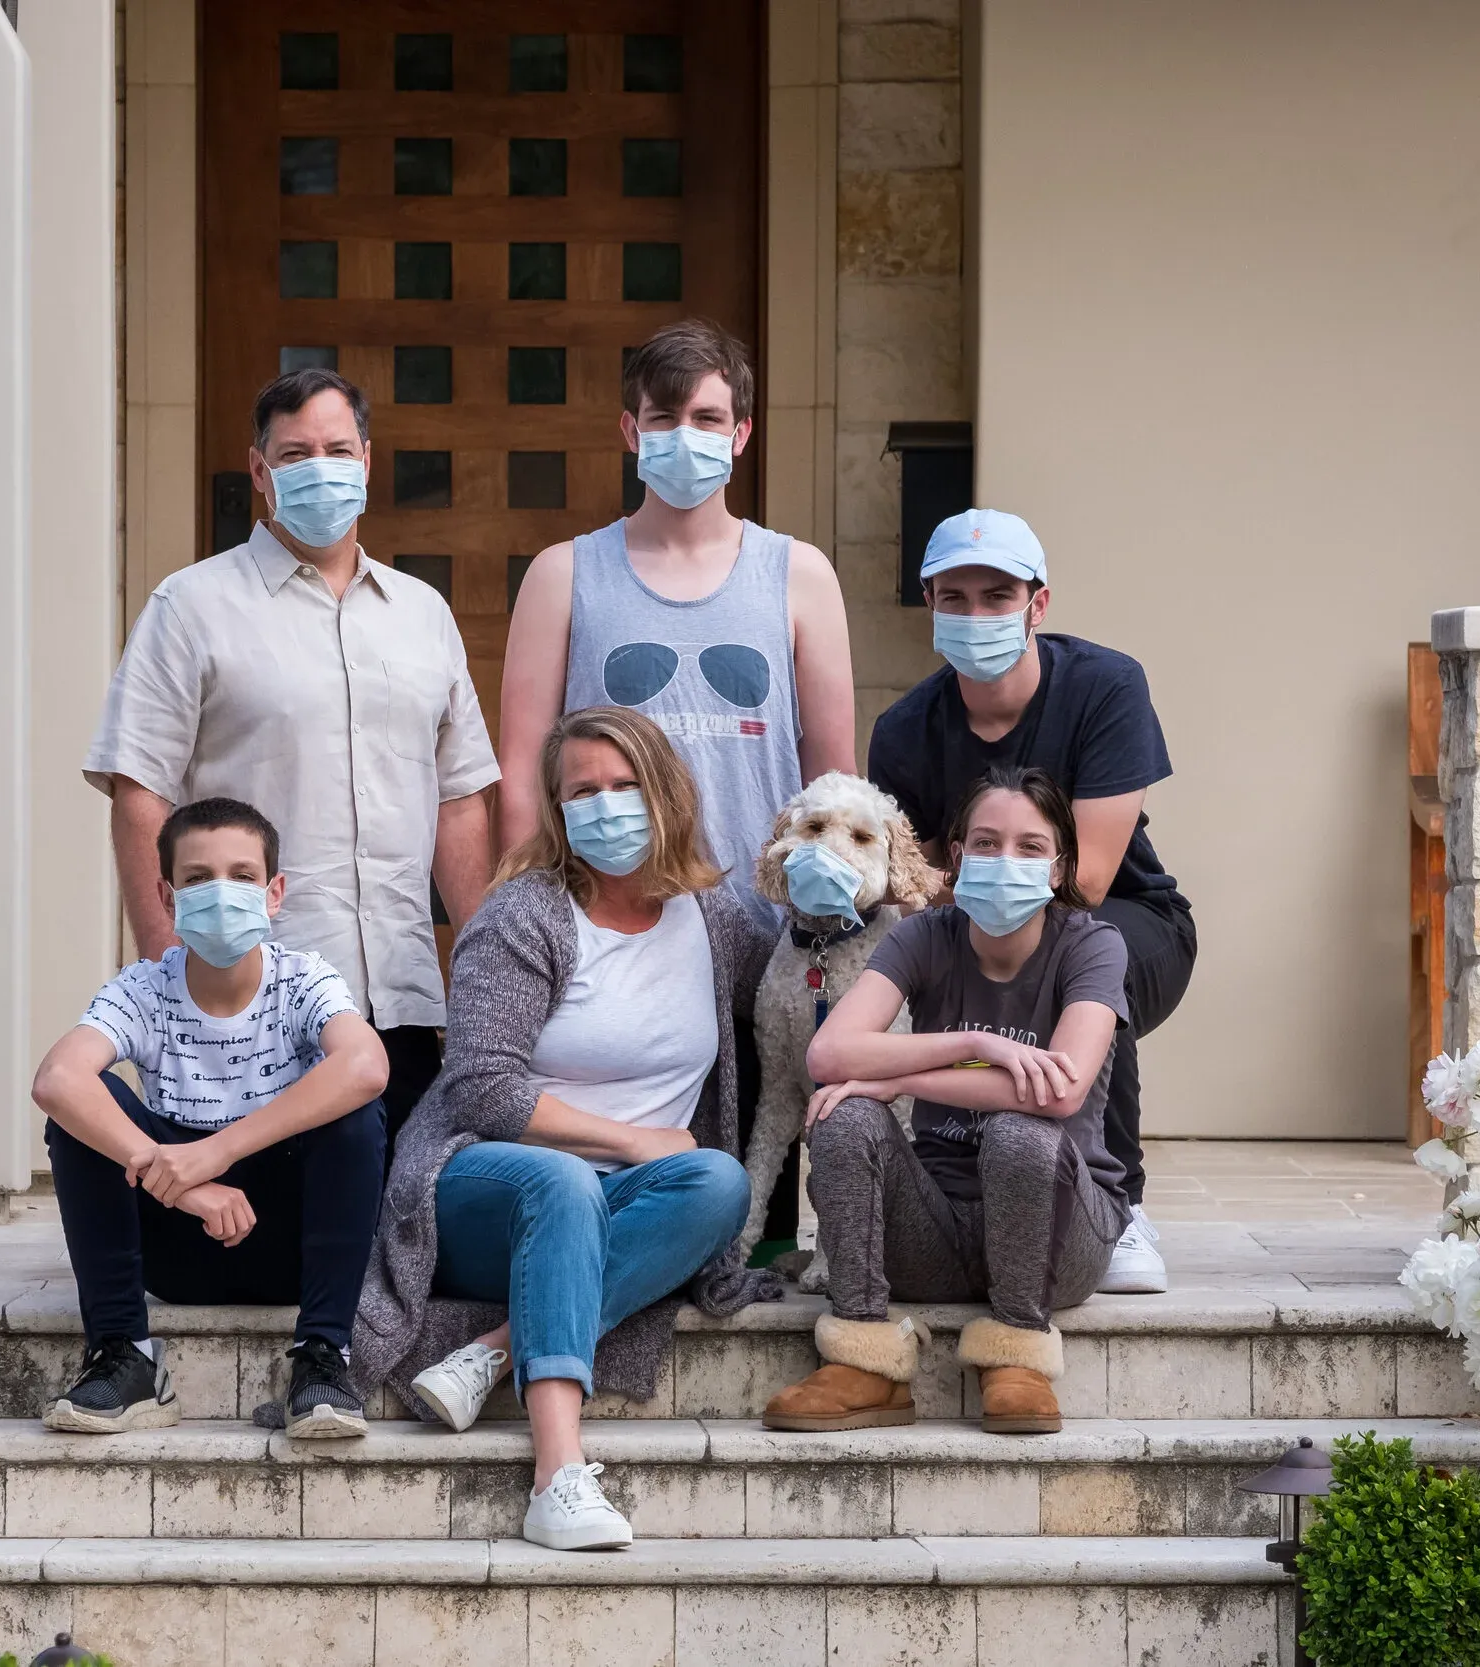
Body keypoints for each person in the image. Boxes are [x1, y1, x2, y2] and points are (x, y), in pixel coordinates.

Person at [353, 706, 777, 1552]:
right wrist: (630, 1141)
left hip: (632, 1201)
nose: (606, 806)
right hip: (485, 1185)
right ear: (556, 807)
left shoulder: (713, 917)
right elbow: (480, 1087)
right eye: (583, 791)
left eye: (625, 785)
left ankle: (496, 1349)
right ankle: (557, 1474)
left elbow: (789, 997)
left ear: (667, 794)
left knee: (721, 1181)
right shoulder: (525, 914)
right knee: (564, 1180)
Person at [498, 319, 855, 1259]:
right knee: (605, 1201)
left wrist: (832, 921)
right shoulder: (565, 573)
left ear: (742, 433)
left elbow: (835, 775)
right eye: (663, 418)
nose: (684, 436)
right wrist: (528, 917)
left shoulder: (799, 575)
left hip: (763, 940)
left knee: (747, 1227)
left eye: (706, 417)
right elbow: (523, 767)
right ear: (631, 431)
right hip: (609, 943)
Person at [85, 368, 498, 1142]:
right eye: (296, 453)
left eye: (338, 450)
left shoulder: (422, 614)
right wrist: (169, 971)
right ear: (259, 469)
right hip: (249, 997)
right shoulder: (192, 605)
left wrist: (484, 976)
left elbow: (458, 798)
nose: (321, 468)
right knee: (249, 1207)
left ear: (367, 461)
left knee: (398, 1203)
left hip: (399, 996)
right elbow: (140, 787)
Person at [866, 508, 1194, 1294]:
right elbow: (914, 882)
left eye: (998, 595)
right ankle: (958, 1181)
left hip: (1130, 917)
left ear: (1037, 603)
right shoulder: (903, 731)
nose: (975, 614)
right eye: (955, 597)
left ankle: (1119, 1204)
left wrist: (985, 898)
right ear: (929, 603)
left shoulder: (1105, 687)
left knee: (1091, 958)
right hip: (968, 925)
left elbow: (1090, 878)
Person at [763, 767, 1127, 1436]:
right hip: (936, 1228)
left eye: (1029, 846)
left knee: (1019, 1129)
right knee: (844, 1112)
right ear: (956, 856)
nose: (1005, 860)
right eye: (986, 843)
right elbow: (829, 1055)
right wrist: (976, 1044)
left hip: (1060, 1235)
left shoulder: (1092, 945)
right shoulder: (924, 935)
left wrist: (905, 1077)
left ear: (1058, 868)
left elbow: (1059, 1090)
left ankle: (1019, 1354)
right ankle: (863, 1360)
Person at [31, 797, 390, 1438]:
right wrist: (189, 1186)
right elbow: (57, 1079)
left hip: (288, 1247)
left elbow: (366, 1066)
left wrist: (216, 1152)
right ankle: (124, 1355)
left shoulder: (303, 981)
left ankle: (323, 1357)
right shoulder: (144, 988)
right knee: (84, 1106)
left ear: (274, 892)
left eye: (242, 875)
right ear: (167, 898)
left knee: (353, 1112)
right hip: (176, 1244)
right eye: (198, 878)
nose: (221, 893)